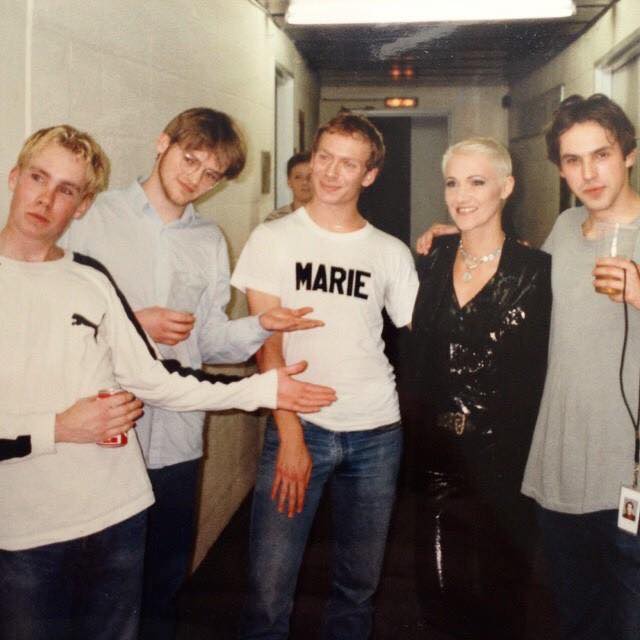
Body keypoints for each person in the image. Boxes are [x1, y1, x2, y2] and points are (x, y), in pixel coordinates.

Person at [0, 124, 336, 640]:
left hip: (160, 445)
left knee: (156, 596)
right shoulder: (94, 215)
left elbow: (203, 345)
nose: (196, 178)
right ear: (162, 143)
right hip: (52, 474)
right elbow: (46, 299)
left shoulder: (206, 240)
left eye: (211, 174)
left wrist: (258, 328)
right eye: (190, 160)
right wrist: (135, 322)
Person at [416, 94, 640, 640]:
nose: (588, 173)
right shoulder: (564, 229)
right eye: (572, 160)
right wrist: (461, 236)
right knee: (577, 616)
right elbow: (517, 284)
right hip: (561, 468)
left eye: (601, 154)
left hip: (629, 469)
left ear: (629, 154)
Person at [231, 113, 419, 639]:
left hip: (377, 433)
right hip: (299, 427)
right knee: (269, 592)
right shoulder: (272, 239)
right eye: (326, 157)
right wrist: (289, 434)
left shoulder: (389, 251)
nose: (333, 173)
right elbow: (267, 346)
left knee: (356, 590)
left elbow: (421, 329)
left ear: (370, 175)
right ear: (313, 159)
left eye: (349, 164)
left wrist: (456, 249)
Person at [406, 137, 551, 639]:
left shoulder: (538, 271)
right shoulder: (430, 256)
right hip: (438, 459)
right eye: (452, 182)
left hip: (507, 463)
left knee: (500, 600)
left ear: (506, 188)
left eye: (477, 181)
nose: (461, 195)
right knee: (438, 594)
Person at [265, 151, 312, 222]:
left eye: (310, 177)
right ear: (289, 182)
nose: (305, 182)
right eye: (298, 177)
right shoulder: (275, 219)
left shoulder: (330, 218)